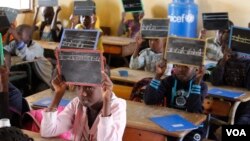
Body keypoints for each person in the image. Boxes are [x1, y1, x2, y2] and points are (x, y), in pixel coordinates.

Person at [40, 71, 126, 140]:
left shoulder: (117, 106)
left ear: (104, 87)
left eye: (89, 87)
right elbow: (47, 131)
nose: (82, 93)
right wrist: (58, 94)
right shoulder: (77, 103)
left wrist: (107, 102)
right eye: (78, 86)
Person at [144, 62, 208, 141]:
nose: (180, 69)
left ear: (196, 69)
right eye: (177, 66)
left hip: (193, 124)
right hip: (170, 122)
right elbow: (149, 101)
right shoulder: (168, 81)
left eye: (185, 67)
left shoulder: (201, 85)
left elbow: (194, 110)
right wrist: (157, 76)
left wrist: (197, 82)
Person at [4, 24, 53, 90]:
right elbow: (5, 50)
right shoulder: (15, 43)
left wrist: (15, 34)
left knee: (40, 90)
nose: (16, 36)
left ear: (29, 37)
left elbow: (28, 56)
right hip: (30, 75)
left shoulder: (37, 48)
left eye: (19, 34)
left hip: (43, 78)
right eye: (16, 33)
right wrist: (8, 34)